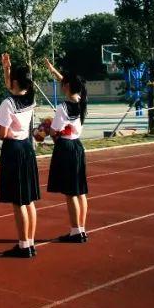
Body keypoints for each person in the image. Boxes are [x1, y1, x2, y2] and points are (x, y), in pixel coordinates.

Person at [0, 53, 41, 258]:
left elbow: (2, 133)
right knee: (28, 199)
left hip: (13, 149)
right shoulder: (30, 98)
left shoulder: (8, 104)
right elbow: (11, 87)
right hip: (26, 147)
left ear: (15, 82)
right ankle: (29, 241)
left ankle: (23, 244)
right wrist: (7, 68)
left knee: (18, 200)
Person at [44, 59, 90, 244]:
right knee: (80, 191)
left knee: (70, 193)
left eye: (63, 83)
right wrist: (53, 70)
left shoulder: (63, 107)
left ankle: (75, 231)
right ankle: (81, 229)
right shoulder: (81, 100)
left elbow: (54, 131)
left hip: (66, 148)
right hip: (77, 146)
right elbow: (69, 82)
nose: (60, 85)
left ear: (68, 85)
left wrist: (46, 130)